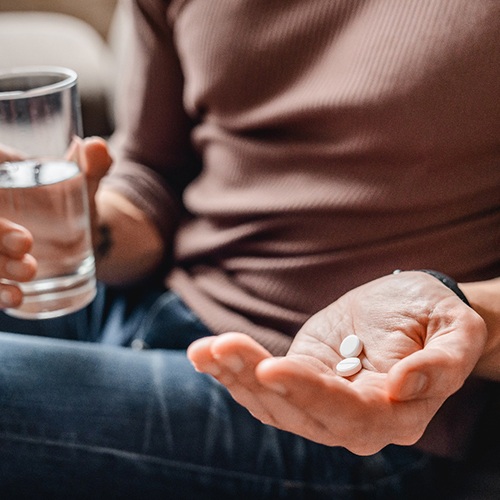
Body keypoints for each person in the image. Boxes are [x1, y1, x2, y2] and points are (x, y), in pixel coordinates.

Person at [0, 0, 499, 497]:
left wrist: (457, 311)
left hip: (337, 406)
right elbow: (152, 177)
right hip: (149, 304)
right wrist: (78, 225)